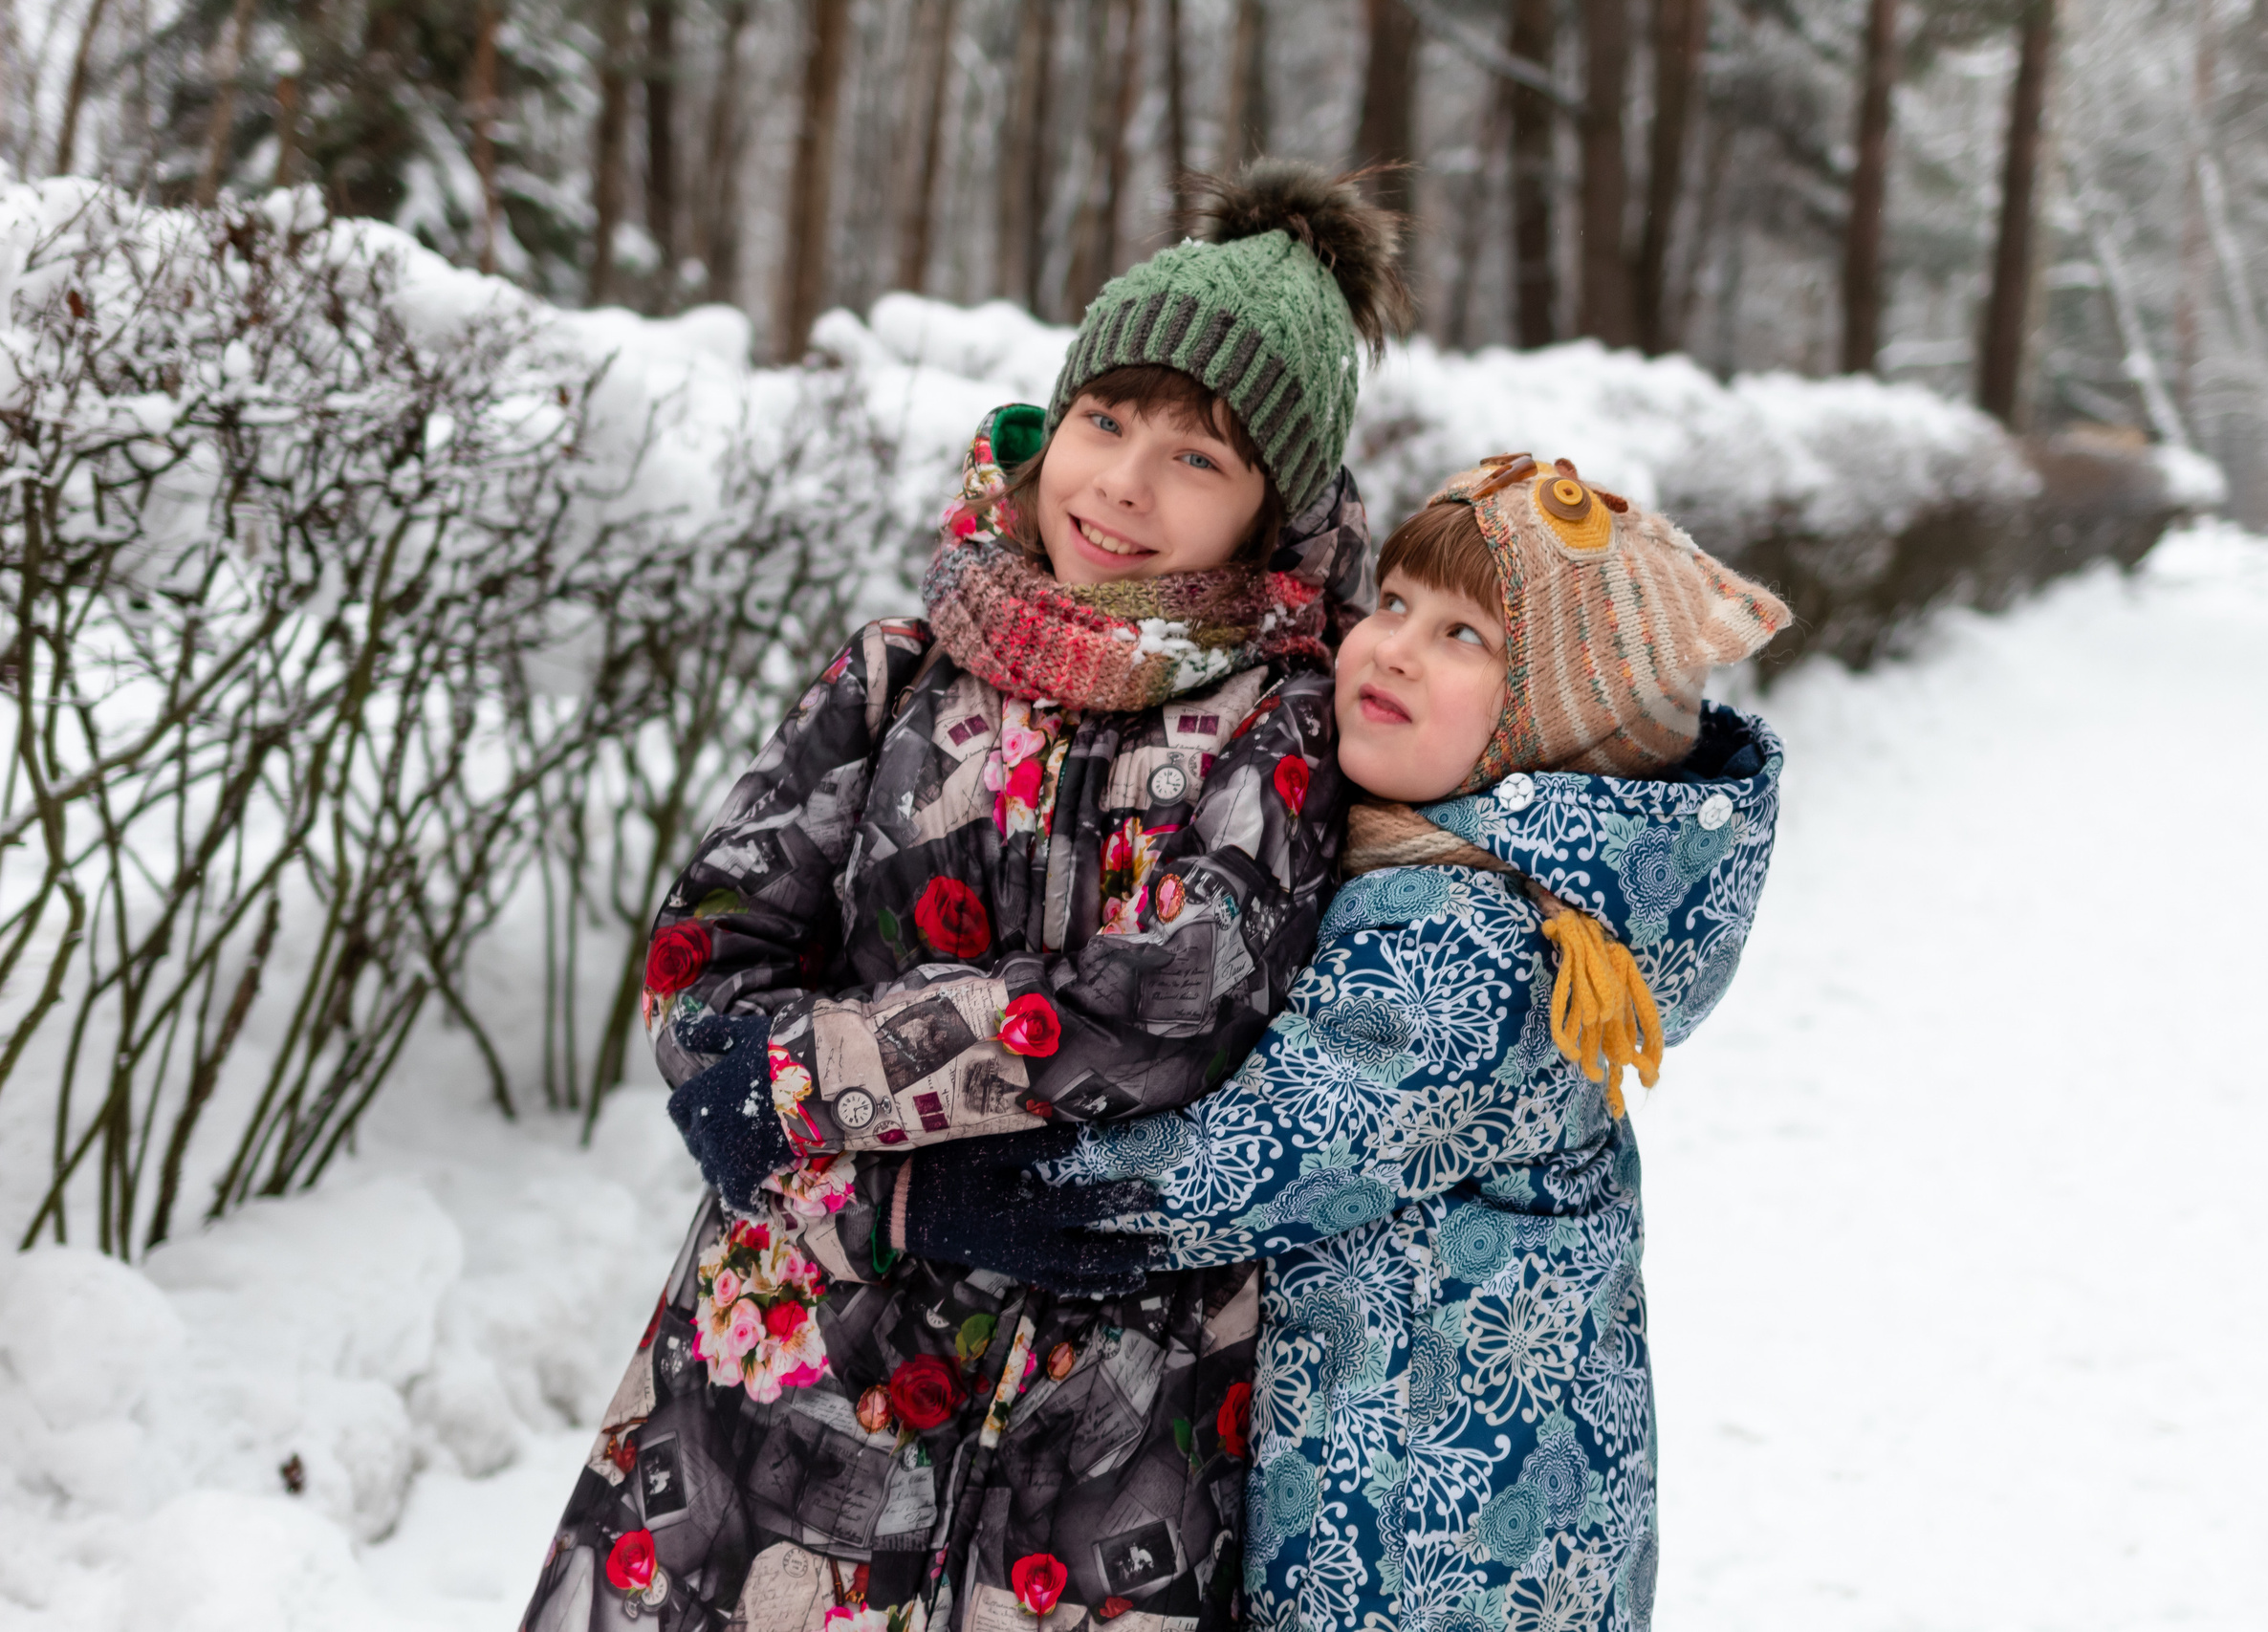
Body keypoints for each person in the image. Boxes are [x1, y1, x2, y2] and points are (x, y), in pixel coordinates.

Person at [521, 162, 1407, 1632]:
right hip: (799, 1361)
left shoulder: (1282, 726)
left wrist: (825, 1076)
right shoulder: (897, 671)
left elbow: (1168, 1003)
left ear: (1272, 510)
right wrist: (829, 1130)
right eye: (1106, 419)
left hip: (1096, 1409)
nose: (1122, 481)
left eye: (1198, 457)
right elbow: (705, 962)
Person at [892, 455, 1793, 1629]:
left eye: (1467, 637)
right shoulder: (1487, 872)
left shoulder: (1473, 933)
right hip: (1497, 1501)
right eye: (1400, 602)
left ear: (1564, 728)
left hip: (1425, 1540)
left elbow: (1275, 1149)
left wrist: (994, 1189)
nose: (1395, 647)